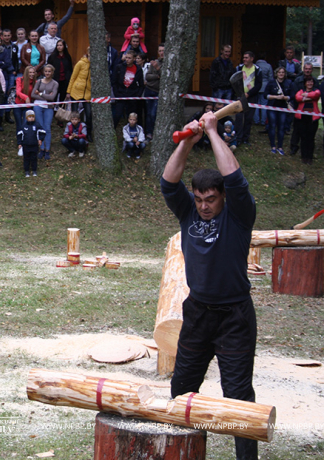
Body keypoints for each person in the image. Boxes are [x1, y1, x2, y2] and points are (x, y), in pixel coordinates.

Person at [161, 110, 258, 460]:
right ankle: (181, 452)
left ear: (222, 197)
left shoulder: (239, 214)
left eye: (210, 199)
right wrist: (189, 140)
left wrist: (214, 132)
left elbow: (236, 179)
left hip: (234, 316)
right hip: (198, 313)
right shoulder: (188, 212)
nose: (203, 206)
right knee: (182, 391)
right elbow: (168, 183)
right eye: (199, 199)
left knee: (238, 398)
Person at [289, 62, 320, 156]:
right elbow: (296, 95)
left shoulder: (315, 80)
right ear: (303, 69)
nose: (307, 70)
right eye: (306, 68)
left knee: (309, 133)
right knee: (296, 130)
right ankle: (294, 147)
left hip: (311, 110)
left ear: (312, 70)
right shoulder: (298, 79)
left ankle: (308, 153)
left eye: (309, 69)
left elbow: (316, 94)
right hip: (298, 108)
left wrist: (306, 96)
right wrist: (303, 98)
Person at [32, 64, 58, 160]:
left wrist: (40, 93)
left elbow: (52, 97)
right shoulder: (39, 82)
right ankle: (41, 148)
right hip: (38, 106)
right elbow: (33, 95)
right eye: (46, 71)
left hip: (49, 107)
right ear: (43, 72)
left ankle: (47, 150)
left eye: (49, 71)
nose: (47, 73)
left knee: (47, 127)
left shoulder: (55, 83)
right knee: (41, 127)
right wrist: (45, 96)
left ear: (52, 72)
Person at [234, 51, 261, 145]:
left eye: (246, 58)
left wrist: (249, 94)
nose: (244, 59)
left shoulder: (257, 69)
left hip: (252, 97)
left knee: (248, 118)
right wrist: (240, 93)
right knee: (238, 117)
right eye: (244, 57)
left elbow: (258, 85)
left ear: (251, 59)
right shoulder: (239, 68)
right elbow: (235, 81)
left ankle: (245, 138)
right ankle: (237, 138)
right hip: (240, 96)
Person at [112, 50, 144, 128]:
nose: (127, 60)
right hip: (121, 94)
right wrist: (117, 94)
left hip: (132, 96)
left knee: (132, 116)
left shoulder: (138, 69)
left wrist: (137, 95)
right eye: (126, 58)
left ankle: (133, 133)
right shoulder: (119, 67)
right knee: (117, 115)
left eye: (129, 58)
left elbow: (141, 85)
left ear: (134, 59)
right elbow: (114, 81)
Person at [264, 67, 292, 155]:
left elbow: (292, 95)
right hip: (272, 107)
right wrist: (276, 97)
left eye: (283, 72)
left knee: (281, 127)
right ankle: (273, 146)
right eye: (279, 72)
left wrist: (285, 97)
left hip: (283, 108)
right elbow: (266, 95)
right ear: (276, 73)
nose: (281, 74)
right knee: (272, 126)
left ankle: (280, 146)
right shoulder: (271, 83)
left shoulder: (288, 83)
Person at [293, 76, 320, 165]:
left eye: (311, 82)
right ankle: (304, 157)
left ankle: (310, 157)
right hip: (302, 118)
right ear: (305, 83)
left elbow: (316, 95)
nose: (310, 84)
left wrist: (305, 96)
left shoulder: (316, 90)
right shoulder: (301, 91)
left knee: (311, 138)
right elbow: (297, 97)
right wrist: (308, 97)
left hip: (313, 118)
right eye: (308, 82)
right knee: (303, 138)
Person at [143, 44, 163, 140]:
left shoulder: (169, 64)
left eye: (163, 51)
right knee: (148, 113)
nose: (161, 53)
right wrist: (157, 76)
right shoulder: (154, 62)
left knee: (153, 113)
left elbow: (165, 77)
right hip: (149, 90)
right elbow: (148, 77)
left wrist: (158, 69)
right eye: (159, 51)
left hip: (158, 91)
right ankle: (148, 133)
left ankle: (155, 132)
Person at [18, 110, 46, 177]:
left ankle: (34, 170)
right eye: (29, 117)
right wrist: (19, 143)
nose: (31, 118)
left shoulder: (37, 125)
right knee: (26, 158)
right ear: (26, 118)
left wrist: (40, 139)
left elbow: (43, 132)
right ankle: (26, 171)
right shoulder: (23, 126)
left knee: (34, 158)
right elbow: (19, 135)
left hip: (34, 145)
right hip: (26, 145)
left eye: (32, 117)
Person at [14, 66, 37, 141]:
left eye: (33, 72)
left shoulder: (36, 82)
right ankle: (19, 141)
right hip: (18, 105)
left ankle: (26, 141)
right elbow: (18, 91)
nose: (32, 74)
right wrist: (25, 97)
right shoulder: (19, 79)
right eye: (30, 72)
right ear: (26, 73)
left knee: (26, 124)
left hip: (28, 106)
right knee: (19, 124)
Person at [47, 39, 72, 104]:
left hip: (64, 81)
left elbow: (70, 69)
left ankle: (60, 113)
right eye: (57, 45)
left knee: (62, 99)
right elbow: (48, 68)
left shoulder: (67, 57)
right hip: (55, 80)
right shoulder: (52, 57)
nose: (59, 47)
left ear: (64, 46)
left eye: (60, 45)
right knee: (53, 98)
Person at [253, 53, 273, 129]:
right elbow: (271, 78)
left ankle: (256, 120)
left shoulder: (255, 66)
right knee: (264, 105)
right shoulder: (268, 66)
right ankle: (263, 121)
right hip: (265, 86)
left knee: (256, 104)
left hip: (256, 86)